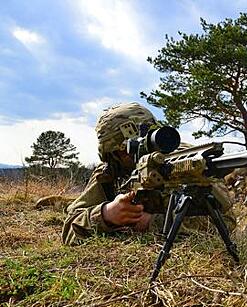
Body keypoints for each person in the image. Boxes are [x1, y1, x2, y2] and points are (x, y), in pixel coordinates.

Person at [62, 102, 235, 245]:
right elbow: (69, 231)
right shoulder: (109, 174)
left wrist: (151, 223)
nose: (143, 155)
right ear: (112, 154)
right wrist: (106, 214)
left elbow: (226, 223)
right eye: (129, 150)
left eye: (148, 143)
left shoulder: (188, 161)